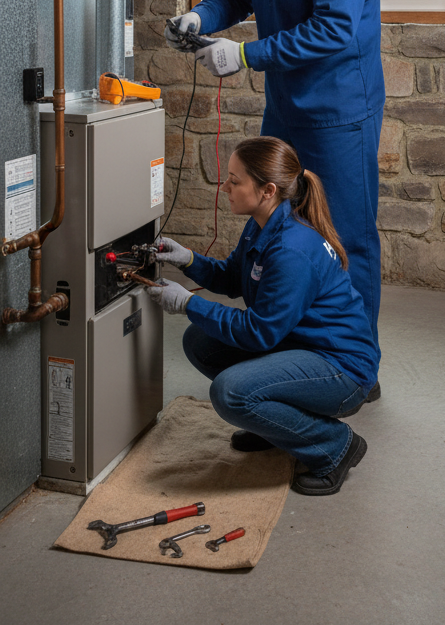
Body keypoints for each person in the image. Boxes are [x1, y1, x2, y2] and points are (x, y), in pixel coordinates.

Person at [164, 0, 386, 388]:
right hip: (286, 105)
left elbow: (336, 28)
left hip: (340, 110)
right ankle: (291, 360)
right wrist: (200, 16)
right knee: (279, 224)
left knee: (347, 238)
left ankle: (356, 369)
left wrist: (244, 56)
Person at [146, 136, 378, 497]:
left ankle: (335, 446)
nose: (226, 187)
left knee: (231, 393)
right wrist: (188, 260)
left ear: (267, 189)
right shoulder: (262, 222)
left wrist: (188, 304)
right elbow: (234, 277)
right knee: (200, 342)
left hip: (341, 370)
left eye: (235, 181)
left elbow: (258, 333)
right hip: (301, 345)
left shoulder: (292, 251)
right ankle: (274, 426)